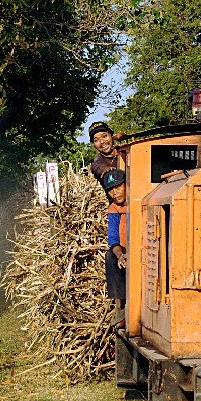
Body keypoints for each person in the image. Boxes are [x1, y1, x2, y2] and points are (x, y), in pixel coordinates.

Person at [101, 168, 127, 328]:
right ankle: (122, 306)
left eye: (118, 187)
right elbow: (113, 238)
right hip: (124, 251)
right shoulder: (114, 209)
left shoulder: (139, 202)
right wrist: (120, 255)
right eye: (110, 190)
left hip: (141, 249)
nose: (115, 193)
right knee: (110, 257)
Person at [89, 121, 122, 189]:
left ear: (112, 136)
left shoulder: (123, 151)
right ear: (93, 144)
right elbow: (97, 167)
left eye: (104, 136)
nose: (102, 142)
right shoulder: (98, 161)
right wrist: (106, 169)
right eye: (96, 140)